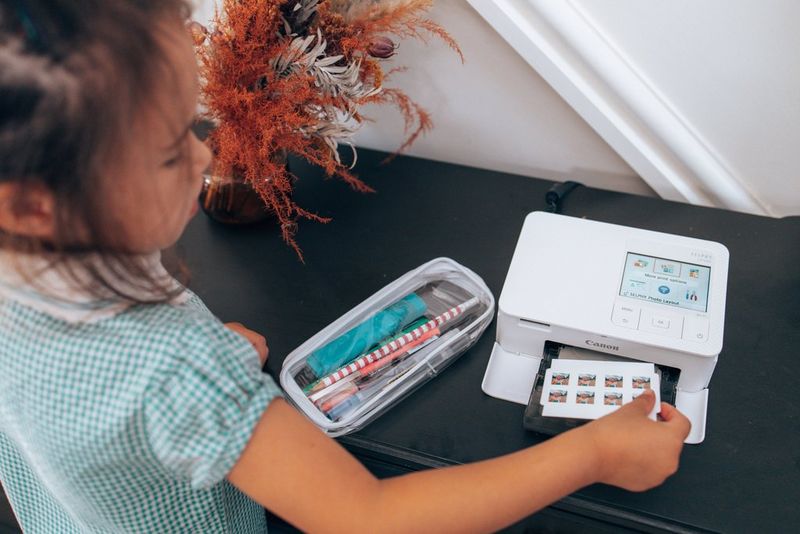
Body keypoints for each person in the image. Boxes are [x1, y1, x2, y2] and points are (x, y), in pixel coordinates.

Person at [0, 1, 691, 532]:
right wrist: (594, 456)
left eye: (194, 125)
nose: (208, 157)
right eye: (167, 151)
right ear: (32, 204)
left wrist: (182, 399)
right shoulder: (176, 368)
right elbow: (366, 518)